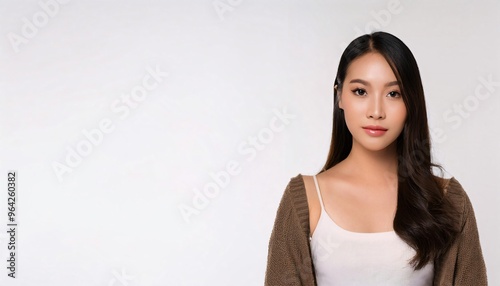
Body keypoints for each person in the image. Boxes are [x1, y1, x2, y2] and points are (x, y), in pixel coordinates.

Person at [264, 31, 487, 285]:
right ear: (339, 96)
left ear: (411, 102)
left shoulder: (447, 200)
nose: (376, 111)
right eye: (360, 91)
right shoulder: (305, 198)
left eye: (394, 94)